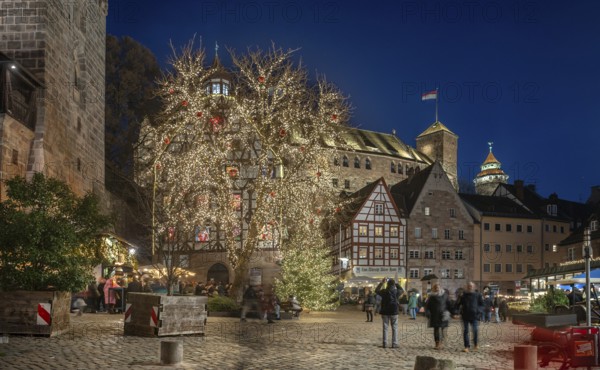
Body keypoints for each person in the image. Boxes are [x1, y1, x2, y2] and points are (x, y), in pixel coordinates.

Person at [456, 281, 484, 352]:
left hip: (474, 316)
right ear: (466, 287)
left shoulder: (478, 295)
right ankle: (466, 346)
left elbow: (482, 305)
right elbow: (457, 305)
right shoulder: (463, 295)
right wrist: (456, 313)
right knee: (466, 331)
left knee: (475, 330)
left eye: (471, 286)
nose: (469, 287)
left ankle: (475, 344)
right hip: (465, 316)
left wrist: (478, 311)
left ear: (473, 287)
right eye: (468, 286)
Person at [425, 283, 451, 349]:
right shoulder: (431, 296)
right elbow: (427, 306)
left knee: (442, 330)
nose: (437, 288)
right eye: (435, 287)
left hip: (443, 314)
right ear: (433, 288)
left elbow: (449, 304)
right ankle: (437, 343)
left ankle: (441, 343)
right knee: (436, 330)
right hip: (434, 315)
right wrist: (427, 313)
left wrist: (453, 312)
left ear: (440, 287)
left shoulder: (445, 295)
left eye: (438, 287)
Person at [375, 277, 400, 348]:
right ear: (394, 285)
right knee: (394, 328)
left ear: (387, 284)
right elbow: (401, 290)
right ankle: (394, 343)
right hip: (394, 311)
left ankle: (385, 343)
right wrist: (397, 283)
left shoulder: (384, 291)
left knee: (385, 327)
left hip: (385, 311)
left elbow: (376, 290)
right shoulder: (396, 291)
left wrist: (382, 282)